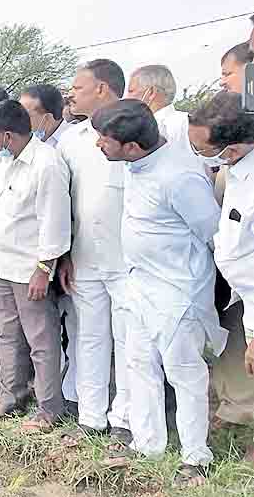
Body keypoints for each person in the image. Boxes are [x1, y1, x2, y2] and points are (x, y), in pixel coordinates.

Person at [94, 100, 224, 486]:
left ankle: (195, 458)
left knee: (184, 375)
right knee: (138, 366)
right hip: (138, 286)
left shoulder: (180, 177)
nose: (98, 145)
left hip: (178, 294)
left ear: (132, 147)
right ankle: (147, 445)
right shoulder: (135, 165)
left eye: (105, 140)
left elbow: (212, 235)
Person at [0, 100, 71, 432]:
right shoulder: (6, 161)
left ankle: (49, 409)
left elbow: (54, 221)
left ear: (7, 135)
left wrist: (44, 269)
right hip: (4, 263)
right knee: (8, 335)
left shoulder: (46, 163)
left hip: (29, 269)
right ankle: (11, 396)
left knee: (41, 340)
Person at [56, 59, 132, 444]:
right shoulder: (72, 139)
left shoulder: (142, 129)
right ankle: (91, 415)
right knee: (88, 334)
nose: (72, 94)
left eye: (79, 88)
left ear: (102, 89)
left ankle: (126, 418)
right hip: (84, 254)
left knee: (129, 339)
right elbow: (64, 202)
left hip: (128, 258)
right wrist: (64, 254)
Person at [188, 91, 254, 464]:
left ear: (233, 145)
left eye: (204, 148)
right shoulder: (234, 171)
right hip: (239, 291)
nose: (200, 155)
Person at [126, 65, 199, 160]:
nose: (126, 98)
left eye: (131, 91)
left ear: (151, 92)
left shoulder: (183, 125)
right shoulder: (185, 122)